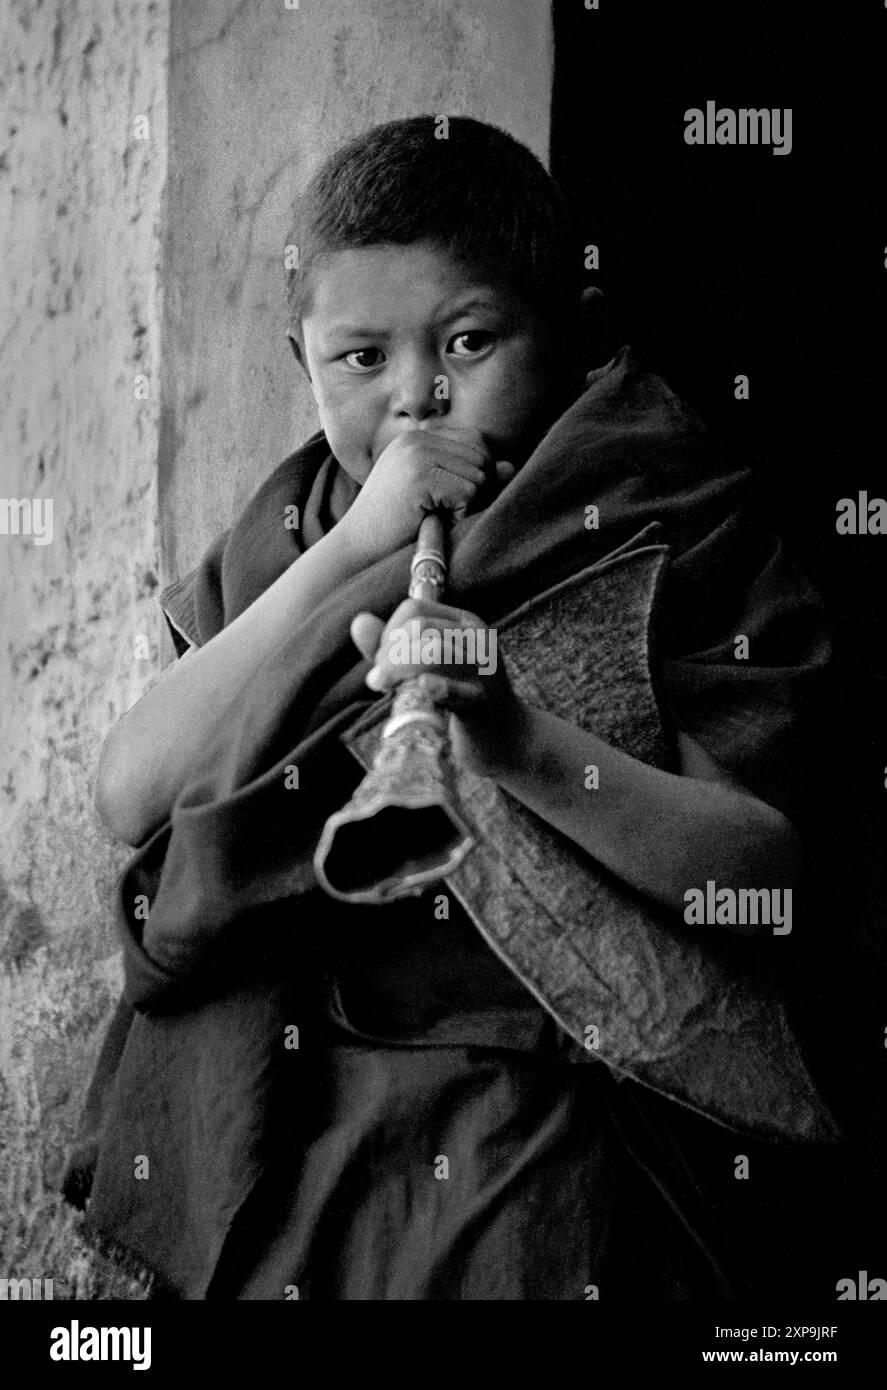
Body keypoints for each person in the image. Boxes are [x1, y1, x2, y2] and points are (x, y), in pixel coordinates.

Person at [65, 115, 841, 1301]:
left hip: (538, 1127)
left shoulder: (649, 507)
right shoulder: (294, 533)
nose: (417, 399)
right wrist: (352, 556)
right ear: (299, 359)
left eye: (469, 341)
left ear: (569, 334)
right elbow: (134, 792)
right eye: (359, 360)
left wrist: (516, 740)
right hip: (287, 1125)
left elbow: (760, 870)